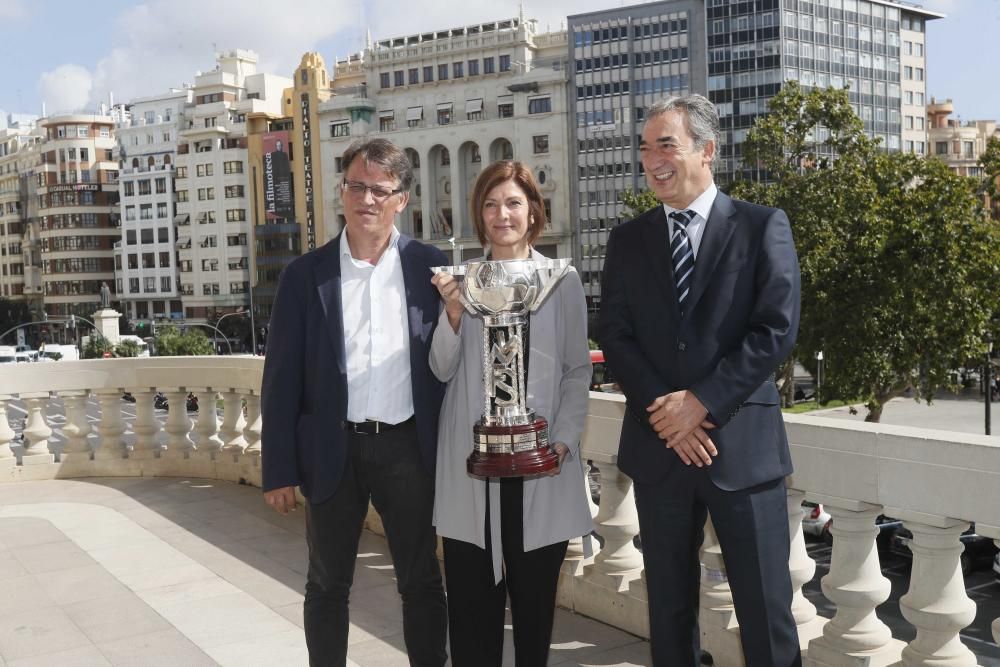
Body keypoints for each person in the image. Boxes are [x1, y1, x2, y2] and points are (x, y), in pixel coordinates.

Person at [598, 94, 802, 666]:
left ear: (707, 150)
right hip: (659, 451)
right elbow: (614, 335)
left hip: (742, 451)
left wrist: (703, 403)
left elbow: (775, 330)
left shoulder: (763, 227)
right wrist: (670, 415)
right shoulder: (627, 239)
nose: (652, 159)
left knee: (766, 611)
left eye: (667, 144)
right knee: (667, 610)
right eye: (645, 148)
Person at [261, 137, 448, 666]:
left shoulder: (430, 270)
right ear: (341, 192)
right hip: (331, 450)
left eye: (380, 190)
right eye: (356, 186)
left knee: (421, 580)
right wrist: (277, 469)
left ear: (402, 199)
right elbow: (280, 380)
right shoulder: (304, 276)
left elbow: (450, 364)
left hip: (407, 449)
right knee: (326, 584)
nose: (367, 199)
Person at [430, 160, 593, 666]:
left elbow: (576, 371)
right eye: (491, 203)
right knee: (472, 626)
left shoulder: (561, 282)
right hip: (472, 470)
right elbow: (440, 368)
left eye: (514, 202)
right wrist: (453, 314)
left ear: (533, 211)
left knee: (533, 623)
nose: (503, 213)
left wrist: (562, 441)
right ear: (480, 215)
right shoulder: (461, 282)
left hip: (539, 468)